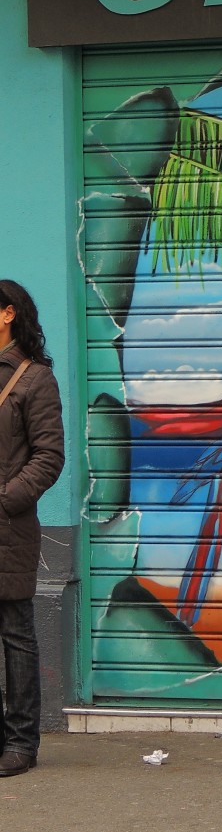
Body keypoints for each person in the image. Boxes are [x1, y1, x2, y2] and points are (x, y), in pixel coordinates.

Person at [0, 280, 64, 777]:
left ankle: (22, 742)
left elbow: (49, 457)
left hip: (8, 527)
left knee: (16, 631)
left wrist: (6, 500)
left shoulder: (34, 379)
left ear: (7, 315)